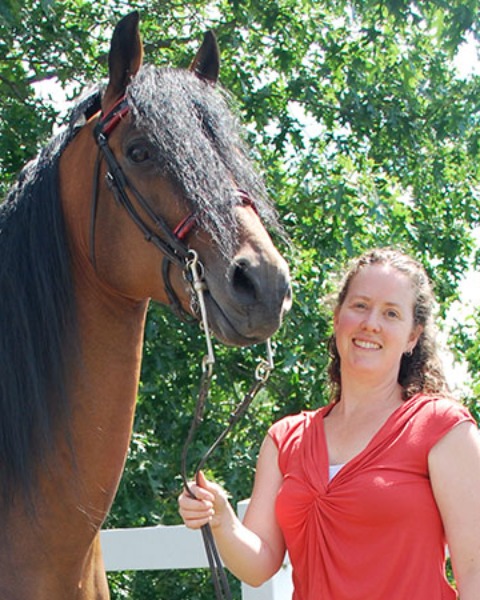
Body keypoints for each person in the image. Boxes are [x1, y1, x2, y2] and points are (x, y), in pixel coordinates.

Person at [178, 247, 480, 599]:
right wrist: (221, 519)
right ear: (337, 317)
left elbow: (475, 569)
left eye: (391, 313)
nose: (371, 323)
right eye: (360, 305)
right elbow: (259, 564)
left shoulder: (443, 429)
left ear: (412, 336)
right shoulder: (285, 438)